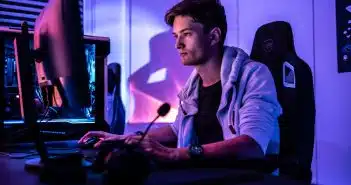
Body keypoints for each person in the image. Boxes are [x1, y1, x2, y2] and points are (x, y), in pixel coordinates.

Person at [79, 0, 281, 169]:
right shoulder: (193, 84)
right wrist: (123, 138)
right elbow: (177, 131)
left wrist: (175, 154)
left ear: (214, 36)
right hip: (201, 174)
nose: (178, 45)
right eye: (176, 36)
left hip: (241, 176)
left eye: (187, 34)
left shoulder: (253, 75)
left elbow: (252, 144)